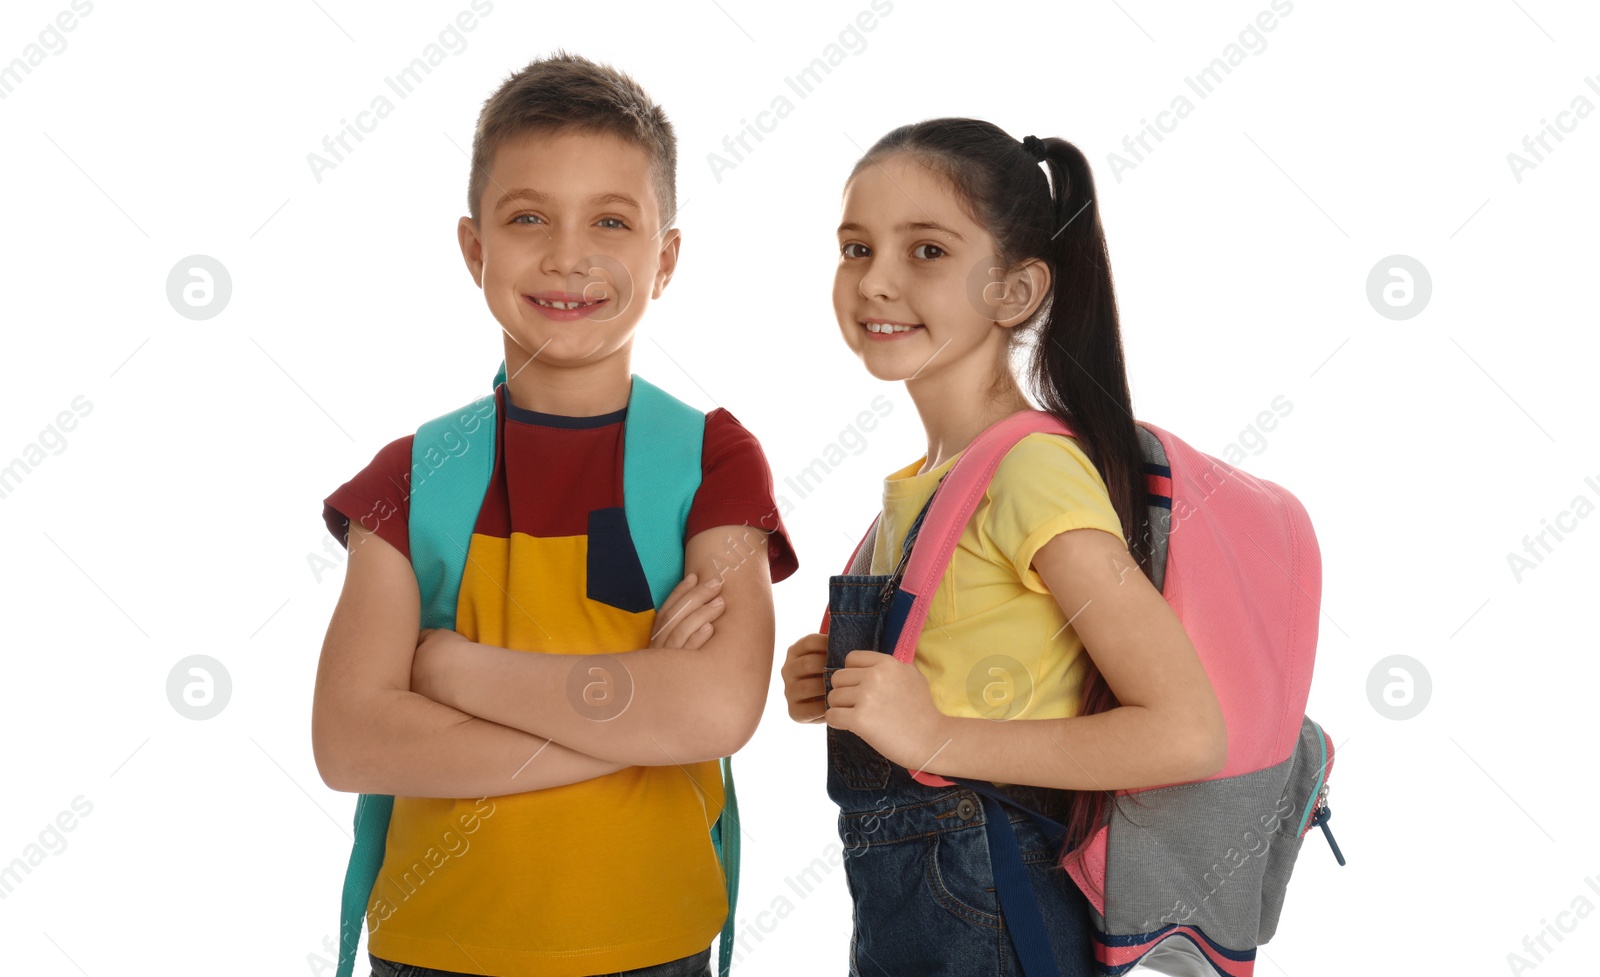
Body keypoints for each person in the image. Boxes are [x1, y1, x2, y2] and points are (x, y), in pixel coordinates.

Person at [312, 51, 798, 977]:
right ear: (474, 249)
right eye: (528, 217)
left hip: (654, 945)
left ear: (665, 260)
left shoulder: (713, 460)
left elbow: (716, 708)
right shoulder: (411, 475)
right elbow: (349, 739)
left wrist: (450, 668)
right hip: (434, 948)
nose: (568, 255)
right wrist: (630, 713)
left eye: (610, 222)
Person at [779, 119, 1226, 976]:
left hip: (995, 917)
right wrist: (839, 679)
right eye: (856, 246)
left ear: (1015, 292)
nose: (876, 280)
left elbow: (1186, 729)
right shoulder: (923, 487)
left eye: (928, 251)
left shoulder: (1030, 470)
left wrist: (936, 735)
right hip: (908, 919)